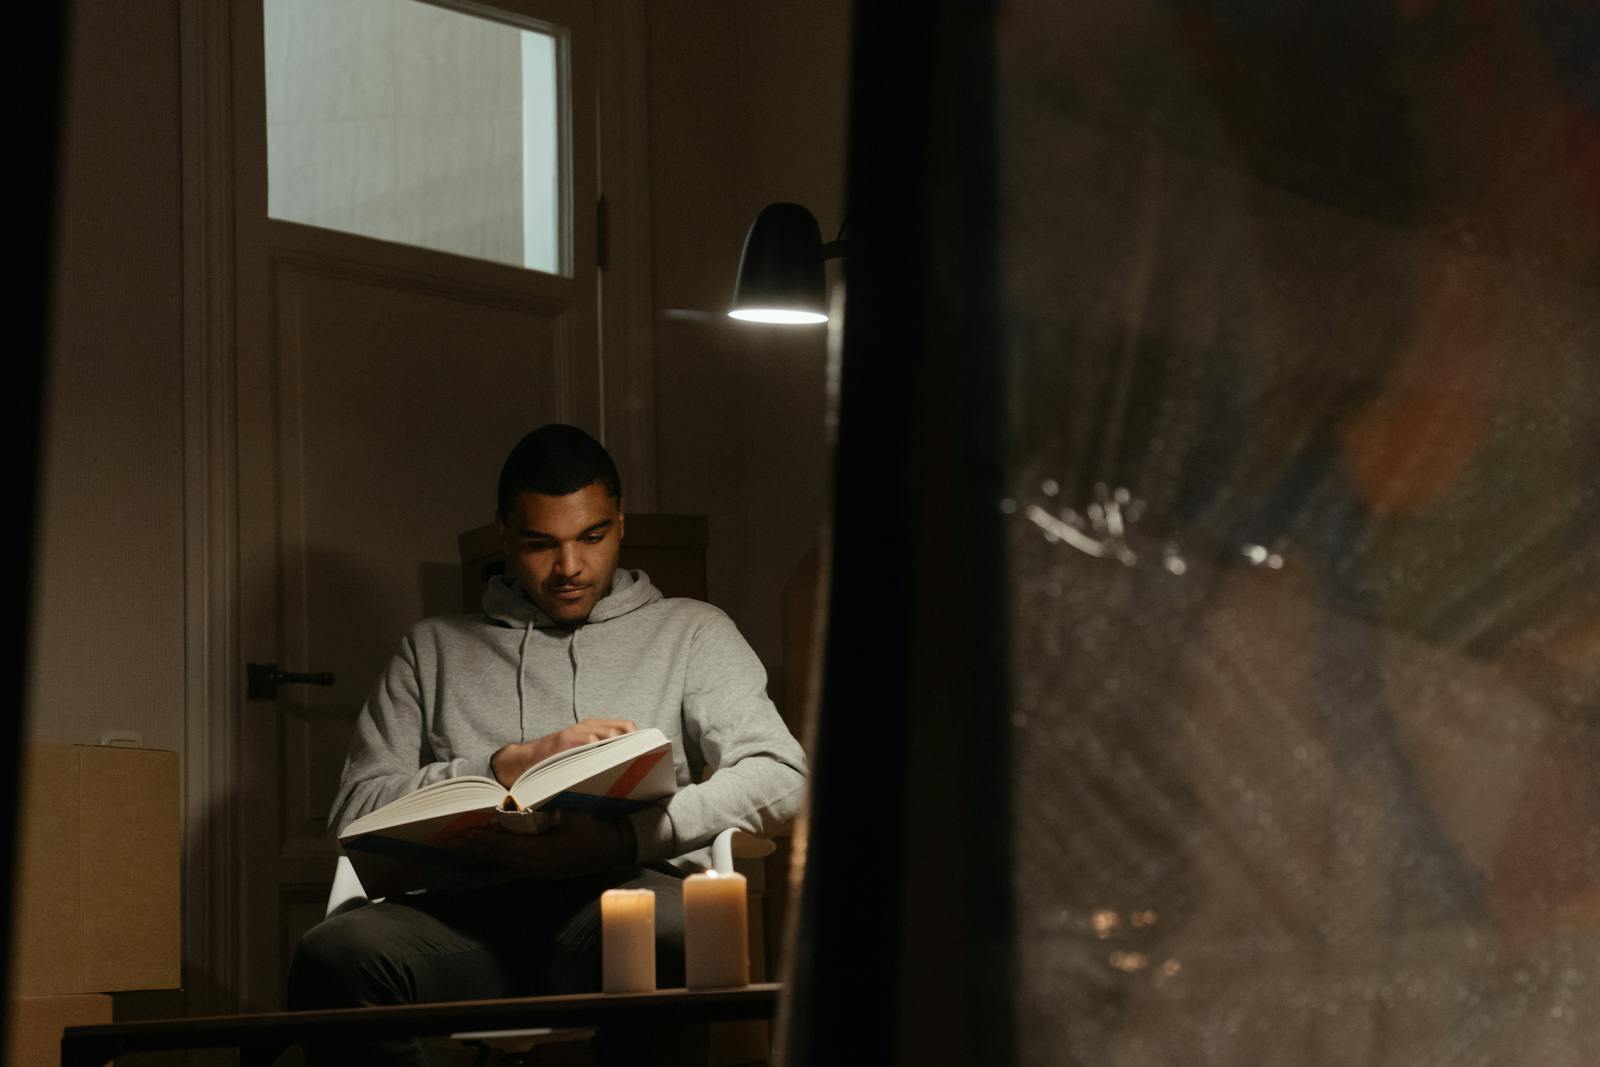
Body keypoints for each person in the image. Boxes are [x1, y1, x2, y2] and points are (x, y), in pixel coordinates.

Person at [287, 424, 808, 1065]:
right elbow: (354, 812)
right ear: (504, 538)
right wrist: (508, 765)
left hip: (623, 899)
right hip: (461, 916)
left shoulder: (692, 630)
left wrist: (626, 839)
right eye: (540, 544)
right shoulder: (431, 649)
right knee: (333, 954)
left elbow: (783, 775)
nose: (569, 568)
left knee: (672, 937)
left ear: (621, 523)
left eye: (592, 537)